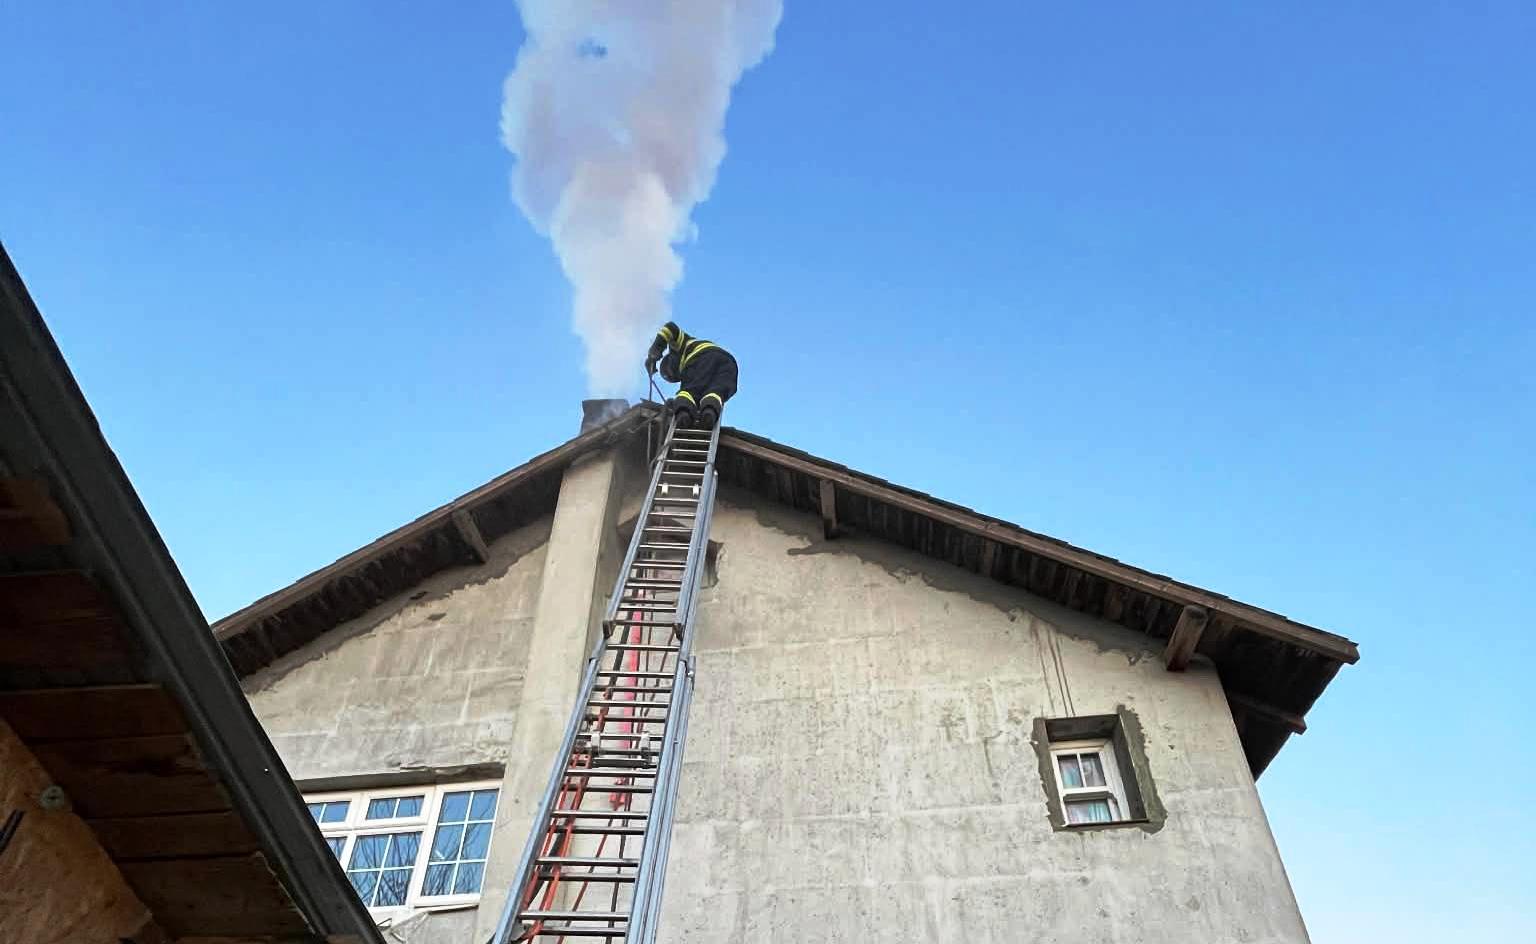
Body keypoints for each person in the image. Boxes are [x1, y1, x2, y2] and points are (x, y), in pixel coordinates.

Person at [644, 321, 738, 429]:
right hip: (728, 364)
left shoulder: (676, 348)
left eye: (671, 375)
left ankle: (683, 415)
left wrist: (654, 352)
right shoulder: (690, 351)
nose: (677, 376)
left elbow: (670, 327)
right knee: (715, 393)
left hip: (701, 357)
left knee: (688, 393)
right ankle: (709, 412)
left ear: (669, 362)